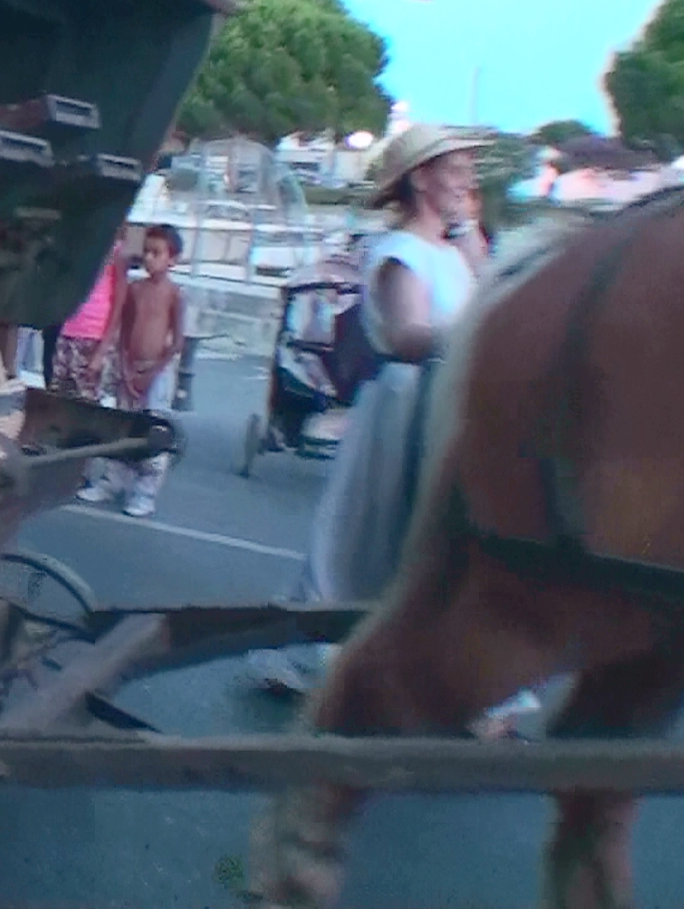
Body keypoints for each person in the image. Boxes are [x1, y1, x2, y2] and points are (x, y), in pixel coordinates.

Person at [244, 125, 539, 737]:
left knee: (433, 547)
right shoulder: (399, 251)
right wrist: (480, 338)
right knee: (382, 544)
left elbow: (496, 293)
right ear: (421, 178)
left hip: (444, 405)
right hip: (406, 409)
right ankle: (341, 663)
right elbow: (407, 336)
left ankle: (455, 683)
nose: (467, 179)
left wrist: (469, 237)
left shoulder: (454, 247)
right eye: (455, 168)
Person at [78, 224, 187, 517]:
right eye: (146, 252)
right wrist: (125, 368)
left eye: (157, 253)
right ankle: (113, 482)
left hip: (157, 372)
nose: (149, 258)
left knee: (154, 429)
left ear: (172, 259)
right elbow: (124, 333)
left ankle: (145, 491)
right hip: (128, 368)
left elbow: (177, 341)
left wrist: (154, 371)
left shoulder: (175, 294)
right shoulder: (135, 290)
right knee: (122, 425)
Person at [47, 236, 129, 401]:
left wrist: (102, 351)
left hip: (93, 338)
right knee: (57, 396)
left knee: (87, 398)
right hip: (67, 333)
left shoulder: (117, 252)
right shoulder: (76, 247)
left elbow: (120, 300)